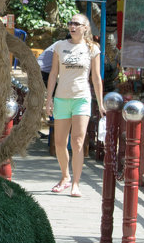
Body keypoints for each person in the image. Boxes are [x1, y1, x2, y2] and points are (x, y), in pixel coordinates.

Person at [45, 14, 105, 198]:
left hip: (82, 99)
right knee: (59, 143)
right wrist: (48, 100)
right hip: (61, 98)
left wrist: (101, 103)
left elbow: (95, 77)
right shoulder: (59, 46)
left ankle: (76, 184)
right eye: (70, 23)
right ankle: (65, 177)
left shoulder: (92, 48)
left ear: (85, 28)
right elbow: (53, 74)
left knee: (77, 141)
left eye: (76, 24)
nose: (72, 26)